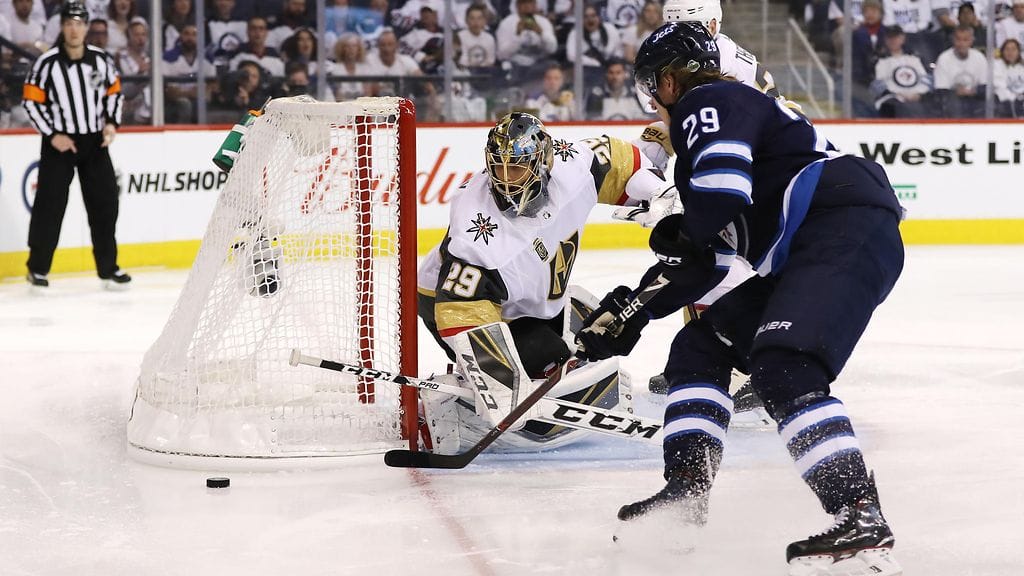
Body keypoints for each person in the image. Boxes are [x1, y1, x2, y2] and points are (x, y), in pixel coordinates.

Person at [576, 22, 904, 576]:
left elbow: (720, 198)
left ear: (670, 79)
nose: (653, 100)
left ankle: (859, 513)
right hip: (816, 243)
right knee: (700, 346)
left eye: (654, 84)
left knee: (783, 366)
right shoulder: (714, 116)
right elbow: (704, 261)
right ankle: (686, 491)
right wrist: (631, 312)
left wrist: (681, 232)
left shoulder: (711, 99)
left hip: (840, 227)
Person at [416, 111, 679, 454]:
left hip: (528, 296)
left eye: (517, 168)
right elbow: (461, 312)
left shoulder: (571, 166)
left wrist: (659, 192)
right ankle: (462, 402)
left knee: (589, 333)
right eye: (499, 168)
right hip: (448, 302)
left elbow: (621, 161)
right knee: (548, 358)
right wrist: (500, 386)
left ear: (542, 163)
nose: (507, 181)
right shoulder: (475, 234)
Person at [21, 1, 131, 289]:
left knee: (105, 205)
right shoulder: (47, 64)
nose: (74, 28)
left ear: (86, 27)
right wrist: (51, 134)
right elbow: (31, 102)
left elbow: (115, 93)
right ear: (62, 27)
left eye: (79, 23)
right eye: (69, 23)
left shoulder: (100, 59)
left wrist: (111, 124)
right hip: (60, 144)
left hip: (95, 142)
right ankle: (38, 269)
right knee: (50, 206)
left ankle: (108, 269)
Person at [873, 25, 933, 117]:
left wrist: (919, 95)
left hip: (917, 97)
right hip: (892, 100)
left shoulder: (915, 58)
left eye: (896, 37)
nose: (893, 40)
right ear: (885, 40)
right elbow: (879, 86)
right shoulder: (880, 61)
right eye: (890, 37)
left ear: (902, 39)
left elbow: (926, 81)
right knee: (899, 108)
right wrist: (898, 95)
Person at [933, 24, 987, 117]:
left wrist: (974, 92)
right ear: (953, 40)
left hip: (975, 99)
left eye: (965, 40)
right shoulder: (944, 58)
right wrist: (956, 92)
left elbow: (986, 86)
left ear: (971, 41)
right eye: (958, 39)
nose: (961, 43)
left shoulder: (979, 57)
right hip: (953, 100)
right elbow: (941, 89)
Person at [993, 38, 1024, 116]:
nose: (1010, 53)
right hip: (1005, 105)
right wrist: (1016, 99)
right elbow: (1000, 87)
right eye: (1007, 49)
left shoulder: (1021, 66)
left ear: (1018, 52)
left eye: (1013, 49)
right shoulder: (997, 65)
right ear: (1002, 51)